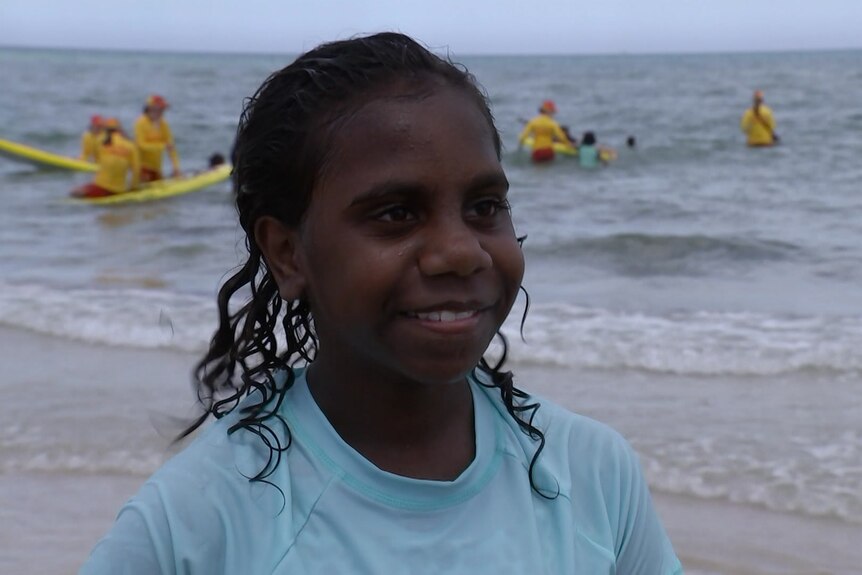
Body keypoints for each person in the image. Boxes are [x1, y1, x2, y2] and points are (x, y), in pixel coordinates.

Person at [80, 33, 682, 574]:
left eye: (484, 207)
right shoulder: (199, 521)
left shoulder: (592, 475)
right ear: (289, 254)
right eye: (397, 213)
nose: (461, 252)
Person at [71, 118, 140, 198]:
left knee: (74, 192)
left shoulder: (101, 142)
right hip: (120, 190)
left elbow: (96, 160)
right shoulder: (131, 146)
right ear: (120, 130)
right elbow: (136, 170)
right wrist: (133, 188)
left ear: (106, 130)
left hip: (101, 187)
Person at [134, 93, 181, 181]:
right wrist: (162, 146)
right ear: (150, 108)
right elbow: (141, 145)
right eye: (160, 109)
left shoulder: (163, 124)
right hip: (142, 167)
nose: (162, 112)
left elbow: (171, 147)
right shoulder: (140, 123)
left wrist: (176, 168)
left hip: (157, 168)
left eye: (163, 109)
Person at [518, 99, 573, 163]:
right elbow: (561, 137)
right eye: (552, 112)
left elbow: (524, 136)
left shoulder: (533, 122)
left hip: (537, 151)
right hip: (549, 151)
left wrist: (520, 143)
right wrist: (568, 144)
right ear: (548, 111)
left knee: (537, 170)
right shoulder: (553, 123)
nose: (553, 114)